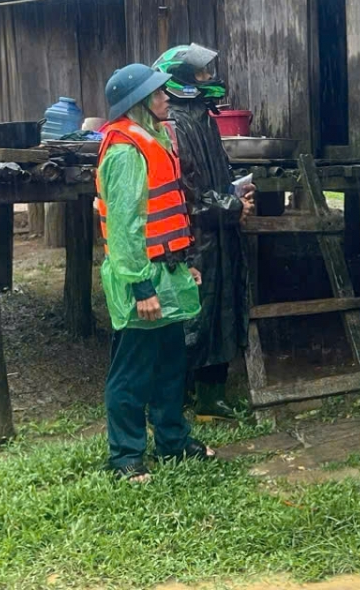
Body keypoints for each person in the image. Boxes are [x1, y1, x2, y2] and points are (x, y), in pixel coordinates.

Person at [96, 63, 215, 482]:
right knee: (132, 368)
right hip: (141, 278)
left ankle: (172, 440)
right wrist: (142, 286)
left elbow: (168, 215)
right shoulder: (125, 152)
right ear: (140, 102)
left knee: (169, 364)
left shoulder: (157, 140)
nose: (167, 97)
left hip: (168, 271)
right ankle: (125, 455)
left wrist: (184, 267)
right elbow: (127, 230)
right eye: (159, 92)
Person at [154, 44, 254, 421]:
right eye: (200, 74)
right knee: (190, 319)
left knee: (223, 313)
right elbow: (186, 191)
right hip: (193, 238)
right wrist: (230, 206)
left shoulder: (204, 117)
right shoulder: (176, 124)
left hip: (220, 233)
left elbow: (217, 175)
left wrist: (237, 193)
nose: (208, 79)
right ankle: (173, 402)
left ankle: (211, 399)